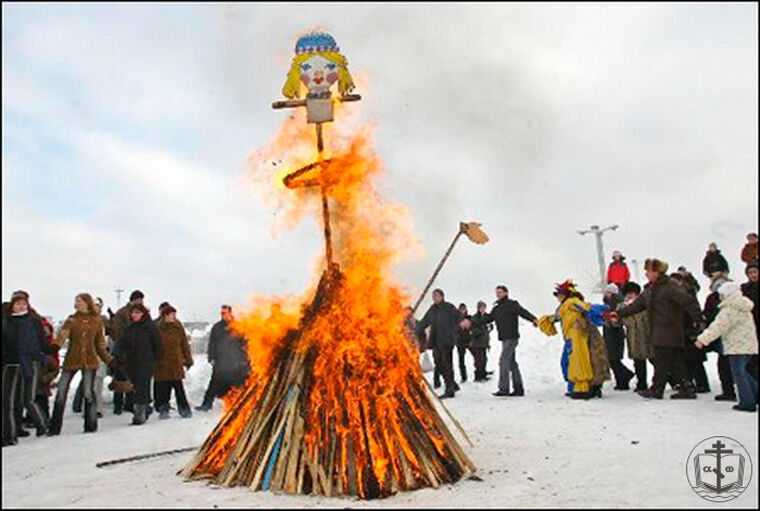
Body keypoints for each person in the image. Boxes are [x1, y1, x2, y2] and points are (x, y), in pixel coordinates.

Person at [612, 258, 704, 400]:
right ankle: (686, 388)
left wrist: (697, 320)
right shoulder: (650, 289)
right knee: (675, 361)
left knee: (661, 360)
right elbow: (637, 305)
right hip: (659, 330)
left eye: (648, 271)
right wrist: (618, 314)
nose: (646, 274)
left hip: (669, 329)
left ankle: (657, 389)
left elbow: (688, 302)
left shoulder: (670, 287)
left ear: (656, 272)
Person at [49, 293, 116, 435]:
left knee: (88, 393)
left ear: (86, 303)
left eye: (80, 300)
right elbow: (63, 335)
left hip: (90, 361)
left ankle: (90, 425)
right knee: (61, 391)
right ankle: (54, 427)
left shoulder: (97, 322)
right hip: (72, 360)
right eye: (76, 301)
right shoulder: (72, 320)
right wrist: (55, 347)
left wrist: (110, 360)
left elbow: (100, 345)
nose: (77, 303)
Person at [536, 280, 610, 399]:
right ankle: (574, 387)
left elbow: (587, 308)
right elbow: (558, 317)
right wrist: (545, 321)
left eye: (560, 295)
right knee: (568, 362)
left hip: (577, 337)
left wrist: (603, 311)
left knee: (578, 361)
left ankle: (583, 388)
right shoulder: (564, 307)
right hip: (570, 337)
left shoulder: (572, 302)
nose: (558, 298)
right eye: (558, 296)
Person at [696, 282, 758, 412]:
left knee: (739, 374)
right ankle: (755, 395)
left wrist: (702, 340)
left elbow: (718, 326)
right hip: (747, 345)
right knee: (744, 372)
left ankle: (747, 403)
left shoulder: (730, 309)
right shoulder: (743, 306)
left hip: (737, 346)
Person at [466, 286, 537, 397]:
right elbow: (487, 319)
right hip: (504, 338)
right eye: (496, 293)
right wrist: (471, 321)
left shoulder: (512, 304)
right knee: (511, 363)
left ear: (506, 293)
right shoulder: (497, 308)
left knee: (503, 361)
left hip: (512, 337)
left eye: (500, 292)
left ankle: (504, 389)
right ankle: (518, 389)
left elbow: (523, 312)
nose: (498, 294)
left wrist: (533, 319)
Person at [2, 294, 52, 444]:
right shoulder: (6, 322)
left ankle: (42, 425)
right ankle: (10, 434)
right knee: (7, 402)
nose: (21, 306)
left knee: (27, 399)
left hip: (30, 363)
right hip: (10, 364)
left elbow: (41, 342)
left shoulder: (34, 321)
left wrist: (49, 352)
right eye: (18, 303)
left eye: (24, 303)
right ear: (12, 306)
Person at [113, 303, 161, 425]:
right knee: (134, 389)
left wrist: (155, 360)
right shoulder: (129, 329)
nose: (134, 315)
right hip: (131, 363)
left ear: (143, 314)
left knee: (141, 388)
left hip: (146, 362)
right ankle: (146, 409)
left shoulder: (150, 328)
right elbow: (120, 345)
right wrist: (119, 356)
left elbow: (157, 345)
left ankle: (139, 417)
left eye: (137, 313)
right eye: (133, 313)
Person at [196, 305, 251, 410]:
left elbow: (244, 343)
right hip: (221, 361)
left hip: (236, 361)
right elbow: (212, 343)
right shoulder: (217, 327)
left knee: (239, 384)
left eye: (225, 313)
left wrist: (245, 358)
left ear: (230, 313)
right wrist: (211, 356)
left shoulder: (238, 326)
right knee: (213, 383)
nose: (223, 315)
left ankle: (238, 404)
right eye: (221, 313)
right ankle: (206, 405)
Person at [415, 290, 462, 399]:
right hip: (436, 342)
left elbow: (460, 319)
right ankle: (453, 384)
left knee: (447, 365)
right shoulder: (433, 309)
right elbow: (424, 322)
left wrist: (453, 332)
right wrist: (415, 329)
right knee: (439, 366)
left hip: (447, 342)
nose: (434, 298)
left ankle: (449, 390)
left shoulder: (449, 307)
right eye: (433, 296)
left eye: (436, 295)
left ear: (442, 296)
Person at [671, 274, 710, 393]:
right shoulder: (679, 295)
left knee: (694, 359)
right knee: (688, 359)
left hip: (691, 331)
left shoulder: (687, 294)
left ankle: (701, 384)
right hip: (684, 330)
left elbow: (693, 313)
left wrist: (694, 328)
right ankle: (694, 382)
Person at [154, 305, 194, 419]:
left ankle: (184, 410)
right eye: (172, 315)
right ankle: (163, 410)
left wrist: (188, 359)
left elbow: (184, 344)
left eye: (175, 314)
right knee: (163, 389)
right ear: (165, 316)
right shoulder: (157, 328)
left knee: (179, 388)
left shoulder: (178, 326)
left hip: (176, 362)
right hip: (162, 363)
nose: (174, 317)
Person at [72, 297, 110, 417]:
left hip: (99, 357)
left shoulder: (103, 322)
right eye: (95, 306)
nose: (96, 308)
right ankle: (87, 409)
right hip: (87, 356)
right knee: (88, 385)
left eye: (98, 306)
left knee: (97, 384)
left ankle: (97, 409)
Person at [109, 290, 144, 415]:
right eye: (139, 300)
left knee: (132, 379)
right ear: (133, 300)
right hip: (123, 351)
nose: (141, 302)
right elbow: (118, 332)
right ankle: (118, 405)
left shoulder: (142, 313)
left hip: (135, 352)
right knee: (120, 378)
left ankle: (129, 403)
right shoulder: (122, 313)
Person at [704, 272, 737, 401]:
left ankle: (735, 391)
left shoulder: (733, 300)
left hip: (731, 334)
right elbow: (707, 313)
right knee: (724, 364)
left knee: (736, 366)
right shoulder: (711, 298)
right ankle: (728, 390)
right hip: (720, 335)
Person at [619, 282, 653, 392]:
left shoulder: (644, 305)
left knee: (654, 360)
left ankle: (668, 380)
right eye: (628, 294)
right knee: (638, 363)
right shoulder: (622, 307)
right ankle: (641, 383)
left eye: (632, 293)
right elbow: (620, 321)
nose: (629, 296)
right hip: (632, 337)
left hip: (647, 336)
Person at [603, 283, 635, 390]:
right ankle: (622, 380)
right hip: (613, 333)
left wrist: (608, 320)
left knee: (613, 359)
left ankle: (624, 377)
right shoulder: (611, 302)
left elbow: (617, 319)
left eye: (607, 292)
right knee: (613, 359)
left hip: (614, 333)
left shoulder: (615, 303)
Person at [741, 261, 759, 379]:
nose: (753, 275)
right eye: (750, 272)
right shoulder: (744, 288)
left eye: (755, 272)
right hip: (749, 327)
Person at [469, 301, 493, 382]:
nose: (482, 309)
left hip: (485, 342)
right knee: (478, 360)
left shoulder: (487, 316)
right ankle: (478, 376)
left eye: (484, 307)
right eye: (481, 307)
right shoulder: (474, 318)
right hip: (476, 343)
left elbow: (490, 326)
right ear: (478, 308)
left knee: (484, 359)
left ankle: (483, 375)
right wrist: (483, 330)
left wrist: (490, 327)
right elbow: (472, 330)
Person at [454, 303, 472, 383]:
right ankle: (463, 377)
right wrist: (460, 326)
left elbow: (474, 326)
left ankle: (480, 373)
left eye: (464, 309)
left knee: (478, 356)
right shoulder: (456, 319)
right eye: (461, 309)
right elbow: (453, 330)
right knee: (461, 360)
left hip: (469, 341)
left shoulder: (469, 317)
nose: (463, 311)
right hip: (460, 342)